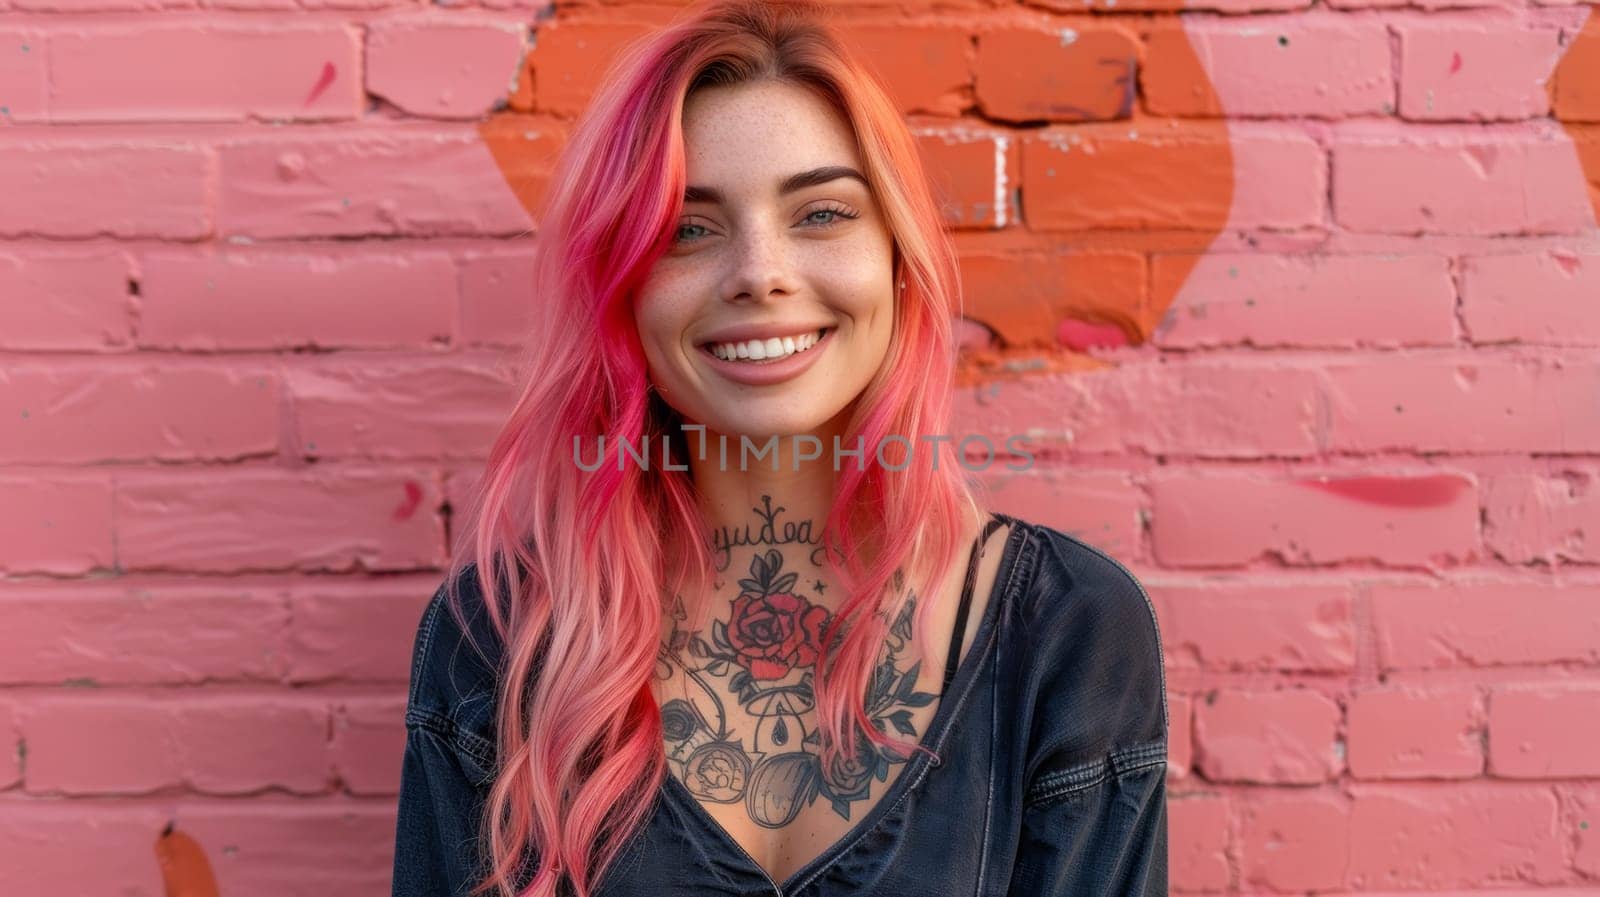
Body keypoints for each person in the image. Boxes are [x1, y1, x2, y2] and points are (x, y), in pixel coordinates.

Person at [391, 1, 1169, 895]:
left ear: (896, 258)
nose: (760, 270)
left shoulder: (1068, 633)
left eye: (822, 213)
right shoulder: (500, 638)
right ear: (621, 287)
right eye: (687, 227)